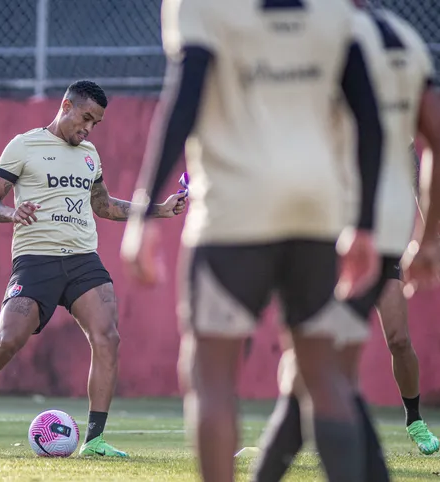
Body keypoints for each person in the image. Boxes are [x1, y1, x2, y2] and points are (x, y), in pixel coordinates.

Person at [120, 0, 387, 480]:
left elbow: (185, 97)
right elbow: (371, 117)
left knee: (212, 378)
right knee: (325, 375)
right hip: (317, 210)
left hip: (233, 209)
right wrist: (364, 225)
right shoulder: (334, 9)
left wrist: (145, 212)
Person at [0, 80, 187, 458]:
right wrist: (12, 212)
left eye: (96, 123)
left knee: (108, 337)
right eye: (86, 118)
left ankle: (94, 442)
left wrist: (158, 209)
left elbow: (103, 206)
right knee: (7, 342)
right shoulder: (24, 146)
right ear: (66, 106)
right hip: (35, 260)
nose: (88, 129)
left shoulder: (90, 155)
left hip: (82, 260)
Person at [252, 2, 440, 480]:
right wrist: (429, 237)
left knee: (313, 365)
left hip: (333, 229)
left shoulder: (320, 38)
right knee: (321, 367)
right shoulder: (403, 38)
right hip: (372, 228)